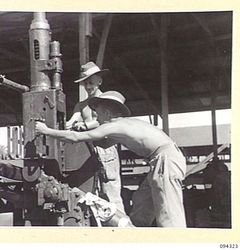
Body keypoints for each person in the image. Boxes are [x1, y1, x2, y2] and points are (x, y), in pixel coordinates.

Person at [35, 91, 187, 227]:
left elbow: (75, 138)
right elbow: (103, 143)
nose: (97, 118)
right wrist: (84, 130)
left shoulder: (114, 126)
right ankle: (137, 238)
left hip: (165, 160)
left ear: (107, 113)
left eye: (98, 114)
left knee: (169, 213)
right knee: (142, 204)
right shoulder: (125, 125)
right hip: (161, 160)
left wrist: (46, 131)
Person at [65, 61, 125, 213]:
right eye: (85, 83)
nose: (88, 87)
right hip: (89, 152)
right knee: (93, 192)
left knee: (111, 192)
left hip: (106, 150)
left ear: (100, 81)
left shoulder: (108, 101)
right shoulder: (81, 105)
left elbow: (105, 122)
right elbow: (71, 122)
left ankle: (122, 229)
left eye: (91, 82)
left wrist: (85, 126)